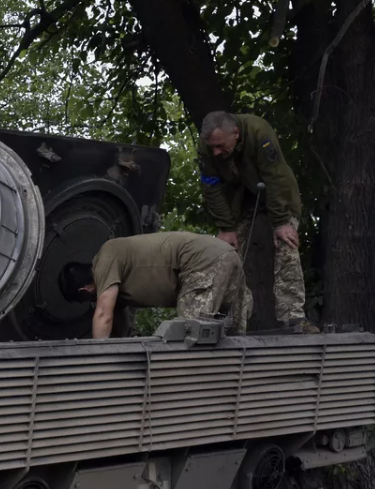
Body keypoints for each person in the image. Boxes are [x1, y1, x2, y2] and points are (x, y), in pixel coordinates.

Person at [197, 111, 317, 333]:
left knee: (286, 244)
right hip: (242, 200)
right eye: (212, 147)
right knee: (226, 253)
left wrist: (281, 222)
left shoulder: (258, 131)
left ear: (235, 133)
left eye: (221, 146)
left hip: (278, 195)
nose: (216, 152)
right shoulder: (208, 147)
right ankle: (232, 322)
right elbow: (211, 187)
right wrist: (226, 227)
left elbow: (275, 177)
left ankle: (293, 318)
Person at [59, 231, 252, 340]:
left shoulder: (106, 258)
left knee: (190, 337)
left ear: (85, 290)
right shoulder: (115, 278)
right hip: (227, 256)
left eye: (84, 300)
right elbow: (119, 326)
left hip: (202, 261)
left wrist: (97, 363)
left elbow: (103, 315)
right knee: (233, 335)